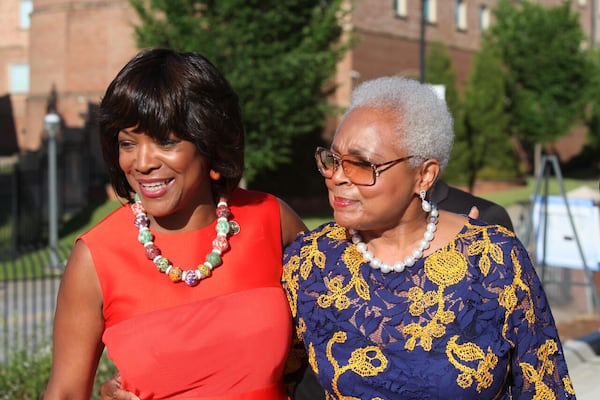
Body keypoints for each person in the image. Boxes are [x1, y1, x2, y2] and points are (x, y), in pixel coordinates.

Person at [281, 76, 576, 399]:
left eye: (361, 165)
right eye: (333, 160)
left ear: (424, 175)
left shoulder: (494, 260)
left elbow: (544, 388)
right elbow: (281, 381)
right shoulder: (311, 263)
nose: (337, 177)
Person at [43, 48, 307, 400]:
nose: (142, 162)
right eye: (127, 143)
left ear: (208, 142)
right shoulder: (96, 257)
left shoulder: (272, 220)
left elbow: (340, 348)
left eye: (166, 141)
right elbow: (64, 393)